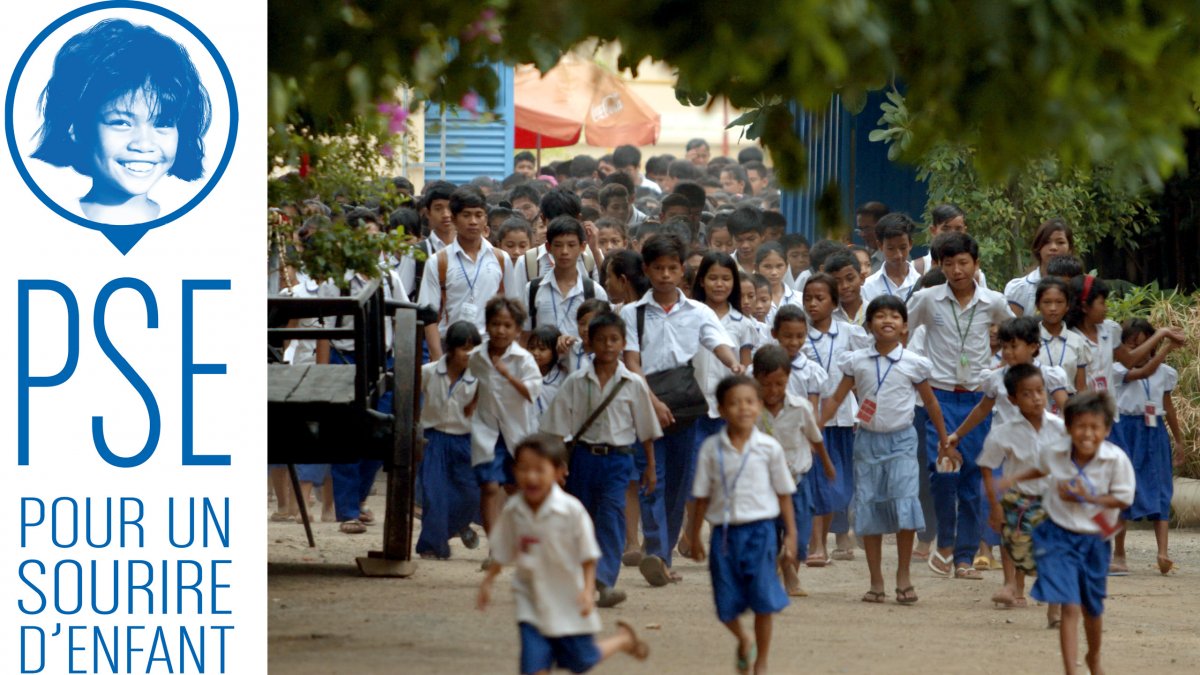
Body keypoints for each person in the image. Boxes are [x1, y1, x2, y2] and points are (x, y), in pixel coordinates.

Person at [620, 233, 742, 586]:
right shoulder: (633, 313)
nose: (665, 275)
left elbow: (719, 343)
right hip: (647, 404)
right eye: (658, 268)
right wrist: (652, 403)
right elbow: (631, 363)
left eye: (672, 268)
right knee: (650, 478)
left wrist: (734, 365)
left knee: (677, 485)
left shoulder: (699, 311)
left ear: (682, 271)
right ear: (647, 269)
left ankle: (664, 554)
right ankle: (657, 553)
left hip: (687, 408)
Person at [477, 434, 651, 675]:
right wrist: (487, 582)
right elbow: (503, 550)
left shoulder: (571, 512)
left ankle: (623, 640)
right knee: (534, 668)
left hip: (568, 599)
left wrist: (588, 590)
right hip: (532, 602)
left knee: (581, 661)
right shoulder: (514, 511)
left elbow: (588, 556)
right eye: (524, 469)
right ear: (515, 472)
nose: (531, 476)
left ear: (561, 472)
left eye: (540, 469)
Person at [819, 295, 951, 605]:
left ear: (905, 326)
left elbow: (931, 402)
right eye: (879, 316)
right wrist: (818, 426)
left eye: (894, 316)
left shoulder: (914, 363)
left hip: (903, 441)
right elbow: (838, 398)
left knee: (905, 505)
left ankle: (903, 575)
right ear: (868, 325)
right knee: (871, 506)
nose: (887, 320)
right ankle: (876, 580)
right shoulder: (857, 361)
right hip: (867, 441)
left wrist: (945, 439)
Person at [905, 232, 1014, 579]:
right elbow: (902, 334)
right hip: (937, 397)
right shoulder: (927, 299)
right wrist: (912, 371)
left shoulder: (993, 302)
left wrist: (1002, 368)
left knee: (972, 476)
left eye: (963, 262)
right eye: (948, 263)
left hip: (976, 399)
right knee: (941, 472)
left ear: (976, 264)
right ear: (940, 265)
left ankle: (964, 556)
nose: (956, 270)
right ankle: (946, 543)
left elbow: (1018, 335)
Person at [33, 18, 212, 224]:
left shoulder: (203, 226)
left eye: (162, 123)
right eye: (121, 122)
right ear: (77, 128)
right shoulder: (40, 226)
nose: (144, 144)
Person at [1006, 392, 1135, 675]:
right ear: (1067, 427)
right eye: (1080, 426)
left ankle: (1094, 656)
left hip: (1094, 541)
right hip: (1058, 537)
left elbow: (1123, 500)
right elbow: (1039, 469)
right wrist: (1010, 480)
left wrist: (1088, 499)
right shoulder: (1055, 452)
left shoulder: (1116, 460)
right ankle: (1070, 670)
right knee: (1070, 606)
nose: (1087, 433)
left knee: (1092, 609)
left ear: (1107, 430)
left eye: (1094, 427)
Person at [543, 312, 663, 608]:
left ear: (623, 343)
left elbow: (645, 429)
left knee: (611, 518)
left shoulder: (632, 383)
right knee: (580, 518)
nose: (608, 345)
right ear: (589, 343)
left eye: (614, 339)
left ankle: (605, 581)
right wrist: (557, 466)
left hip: (619, 460)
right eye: (601, 340)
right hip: (582, 457)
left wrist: (649, 468)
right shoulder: (575, 381)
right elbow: (556, 428)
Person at [688, 375, 797, 675]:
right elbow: (701, 496)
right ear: (721, 410)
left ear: (759, 406)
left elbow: (784, 494)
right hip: (724, 535)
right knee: (725, 605)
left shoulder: (768, 448)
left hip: (761, 533)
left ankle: (761, 661)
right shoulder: (711, 449)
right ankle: (742, 636)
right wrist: (693, 535)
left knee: (763, 601)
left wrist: (791, 535)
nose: (743, 409)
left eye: (749, 402)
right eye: (734, 403)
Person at [681, 252, 757, 557]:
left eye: (726, 278)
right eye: (713, 277)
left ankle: (718, 533)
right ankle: (690, 527)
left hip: (728, 410)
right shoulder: (690, 315)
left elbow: (747, 367)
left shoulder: (743, 324)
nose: (719, 283)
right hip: (693, 405)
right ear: (701, 281)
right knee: (693, 469)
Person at [977, 364, 1065, 622]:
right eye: (1027, 394)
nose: (1036, 398)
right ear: (1013, 400)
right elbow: (986, 465)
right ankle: (1012, 585)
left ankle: (1055, 607)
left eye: (1040, 391)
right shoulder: (1004, 432)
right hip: (1019, 500)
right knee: (1016, 545)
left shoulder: (1059, 427)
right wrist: (995, 506)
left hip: (1053, 500)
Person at [752, 345, 833, 596]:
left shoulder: (800, 408)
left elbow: (815, 438)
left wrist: (827, 465)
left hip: (797, 482)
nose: (774, 391)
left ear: (788, 380)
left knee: (798, 538)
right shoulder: (750, 410)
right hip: (763, 485)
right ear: (755, 380)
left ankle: (790, 570)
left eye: (780, 383)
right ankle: (786, 577)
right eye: (767, 384)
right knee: (769, 535)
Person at [803, 274, 870, 563]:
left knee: (837, 483)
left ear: (833, 301)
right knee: (815, 480)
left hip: (842, 419)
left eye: (819, 298)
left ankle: (821, 541)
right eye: (808, 298)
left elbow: (868, 367)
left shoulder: (849, 333)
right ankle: (816, 545)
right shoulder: (799, 333)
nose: (812, 304)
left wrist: (867, 409)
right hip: (808, 420)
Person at [1110, 319, 1184, 576]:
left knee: (1160, 487)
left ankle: (1162, 552)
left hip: (1154, 431)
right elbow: (1141, 372)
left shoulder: (1166, 373)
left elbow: (1169, 407)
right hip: (1125, 431)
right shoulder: (1117, 370)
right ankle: (1119, 553)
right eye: (1133, 346)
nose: (1140, 352)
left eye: (1145, 346)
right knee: (1122, 489)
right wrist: (1165, 345)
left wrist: (1178, 439)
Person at [469, 297, 542, 547]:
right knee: (489, 487)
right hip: (486, 429)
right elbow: (478, 383)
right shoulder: (477, 357)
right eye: (495, 324)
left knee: (517, 488)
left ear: (517, 330)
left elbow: (532, 392)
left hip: (518, 431)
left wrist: (508, 376)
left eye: (507, 325)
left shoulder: (524, 360)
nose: (501, 330)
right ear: (487, 326)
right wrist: (471, 403)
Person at [417, 187, 517, 361]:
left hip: (491, 348)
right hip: (450, 347)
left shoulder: (501, 259)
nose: (473, 221)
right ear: (454, 219)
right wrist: (438, 359)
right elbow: (429, 316)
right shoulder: (438, 262)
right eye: (466, 215)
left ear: (485, 219)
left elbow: (513, 308)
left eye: (479, 215)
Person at [417, 321, 483, 559]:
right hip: (433, 439)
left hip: (465, 440)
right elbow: (410, 395)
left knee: (471, 494)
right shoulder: (429, 372)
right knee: (434, 494)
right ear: (451, 349)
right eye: (465, 349)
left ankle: (457, 525)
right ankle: (432, 546)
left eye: (474, 349)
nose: (470, 355)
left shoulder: (479, 378)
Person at [525, 216, 607, 340]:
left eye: (571, 245)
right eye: (558, 245)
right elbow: (525, 334)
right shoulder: (533, 289)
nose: (564, 251)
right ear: (548, 248)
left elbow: (602, 335)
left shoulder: (594, 291)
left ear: (582, 247)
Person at [1004, 219, 1074, 316]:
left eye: (1060, 242)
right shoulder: (1020, 289)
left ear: (1070, 249)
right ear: (1038, 247)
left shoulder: (1079, 286)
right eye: (1046, 242)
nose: (1053, 247)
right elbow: (1012, 329)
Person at [1035, 277, 1089, 395]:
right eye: (1047, 302)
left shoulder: (1077, 341)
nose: (1053, 308)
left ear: (1067, 306)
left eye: (1059, 302)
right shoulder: (1029, 339)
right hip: (1037, 405)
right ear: (1038, 305)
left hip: (1070, 406)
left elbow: (1081, 387)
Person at [861, 213, 921, 303]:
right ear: (880, 245)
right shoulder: (869, 286)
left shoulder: (921, 282)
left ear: (910, 244)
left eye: (903, 247)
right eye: (891, 249)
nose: (898, 255)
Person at [527, 325, 568, 421]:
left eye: (542, 349)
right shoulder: (522, 375)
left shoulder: (562, 378)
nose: (535, 353)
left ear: (554, 351)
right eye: (532, 348)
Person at [826, 250, 867, 327]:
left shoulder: (872, 312)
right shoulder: (827, 316)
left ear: (861, 278)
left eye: (850, 278)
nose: (845, 286)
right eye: (837, 282)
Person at [854, 202, 890, 273]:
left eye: (867, 229)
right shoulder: (859, 255)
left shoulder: (896, 260)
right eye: (860, 229)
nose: (863, 234)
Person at [729, 206, 765, 272]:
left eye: (751, 239)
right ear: (732, 238)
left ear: (762, 236)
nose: (745, 246)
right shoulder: (725, 265)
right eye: (739, 240)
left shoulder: (776, 263)